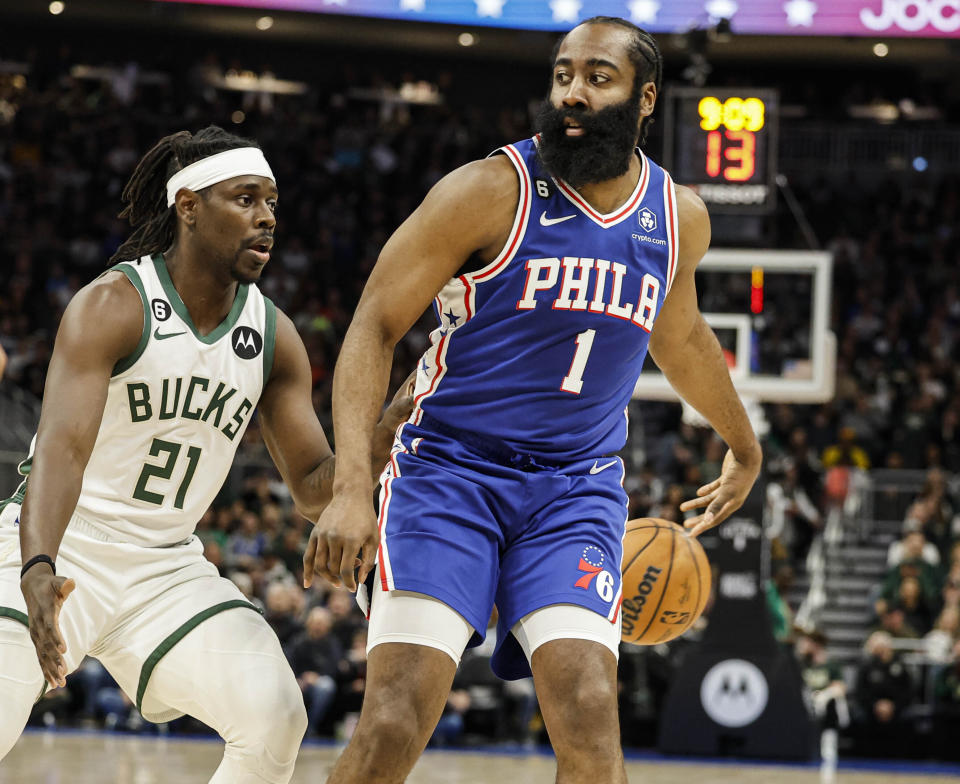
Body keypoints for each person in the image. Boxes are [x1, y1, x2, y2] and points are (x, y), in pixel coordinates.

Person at [307, 16, 761, 784]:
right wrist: (352, 488)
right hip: (447, 474)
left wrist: (744, 445)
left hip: (573, 489)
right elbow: (373, 326)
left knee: (589, 717)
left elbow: (679, 338)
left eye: (598, 78)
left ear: (645, 98)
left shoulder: (677, 217)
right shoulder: (486, 191)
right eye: (563, 75)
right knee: (392, 722)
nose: (573, 94)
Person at [0, 126, 411, 783]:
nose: (267, 216)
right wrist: (39, 564)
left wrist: (387, 428)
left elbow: (312, 487)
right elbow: (60, 452)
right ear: (187, 205)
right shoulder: (113, 304)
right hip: (63, 545)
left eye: (272, 201)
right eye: (245, 198)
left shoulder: (274, 336)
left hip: (166, 567)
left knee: (276, 714)